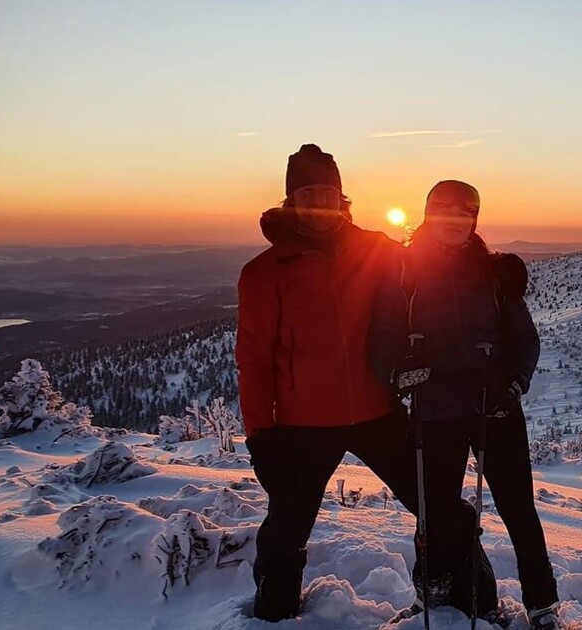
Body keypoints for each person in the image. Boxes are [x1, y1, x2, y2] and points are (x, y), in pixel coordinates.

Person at [235, 146, 494, 622]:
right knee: (286, 528)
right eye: (308, 193)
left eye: (328, 193)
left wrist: (494, 267)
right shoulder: (264, 273)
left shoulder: (376, 248)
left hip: (379, 412)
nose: (320, 202)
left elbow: (439, 264)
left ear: (341, 198)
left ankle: (472, 601)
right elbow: (252, 360)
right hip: (302, 423)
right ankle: (273, 612)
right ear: (291, 199)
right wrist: (260, 435)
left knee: (437, 506)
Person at [373, 180, 561, 630]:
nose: (453, 225)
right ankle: (433, 596)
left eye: (463, 217)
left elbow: (524, 339)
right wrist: (400, 372)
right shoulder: (401, 272)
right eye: (444, 215)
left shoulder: (495, 274)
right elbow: (384, 338)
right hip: (437, 410)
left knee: (517, 507)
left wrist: (513, 383)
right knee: (435, 512)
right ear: (427, 215)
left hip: (492, 406)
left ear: (474, 221)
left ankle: (542, 606)